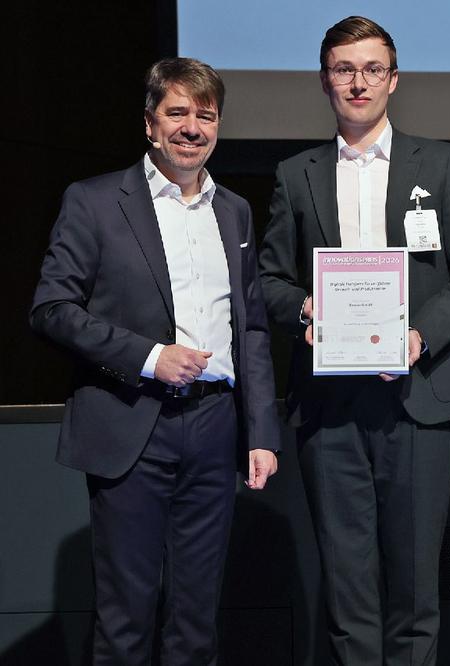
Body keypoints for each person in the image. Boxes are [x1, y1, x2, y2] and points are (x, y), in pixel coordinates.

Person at [256, 16, 450, 666]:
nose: (358, 82)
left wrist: (418, 337)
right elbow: (269, 280)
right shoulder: (296, 173)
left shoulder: (440, 163)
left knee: (416, 593)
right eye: (344, 69)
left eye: (371, 69)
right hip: (328, 407)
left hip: (416, 400)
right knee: (347, 593)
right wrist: (306, 309)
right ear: (324, 80)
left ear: (393, 79)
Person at [30, 57, 280, 665]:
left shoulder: (235, 211)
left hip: (215, 427)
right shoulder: (94, 201)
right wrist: (148, 357)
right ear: (150, 124)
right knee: (126, 619)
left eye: (206, 115)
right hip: (130, 421)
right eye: (177, 113)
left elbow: (250, 327)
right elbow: (52, 308)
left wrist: (261, 432)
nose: (192, 127)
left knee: (197, 622)